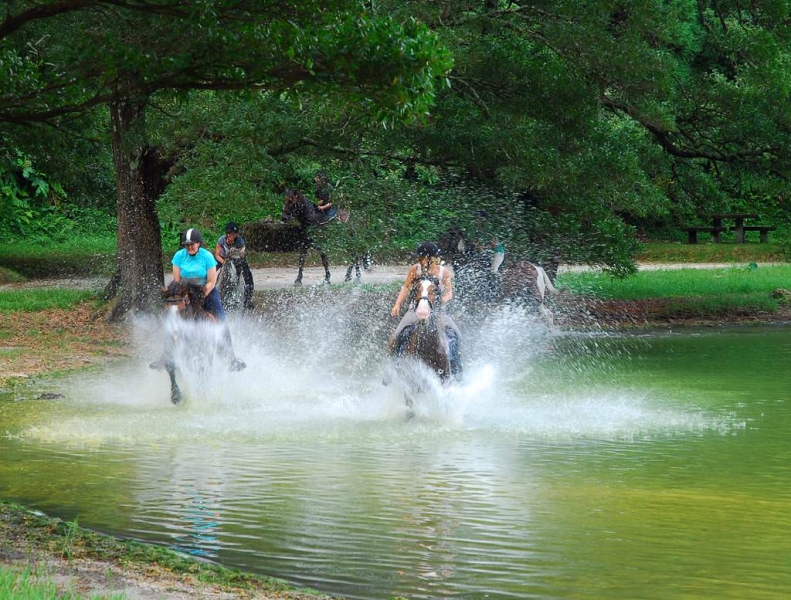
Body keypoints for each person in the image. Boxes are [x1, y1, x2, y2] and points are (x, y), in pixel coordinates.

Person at [152, 227, 245, 371]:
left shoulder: (207, 256)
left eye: (192, 244)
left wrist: (201, 295)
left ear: (199, 243)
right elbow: (177, 280)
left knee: (221, 318)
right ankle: (165, 355)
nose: (189, 247)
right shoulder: (178, 256)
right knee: (171, 320)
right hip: (185, 291)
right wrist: (181, 295)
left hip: (206, 291)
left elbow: (212, 281)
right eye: (187, 244)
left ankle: (231, 358)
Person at [389, 241, 462, 379]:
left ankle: (456, 370)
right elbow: (406, 288)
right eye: (421, 258)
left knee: (456, 335)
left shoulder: (443, 272)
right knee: (397, 335)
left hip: (437, 312)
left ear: (434, 258)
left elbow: (449, 292)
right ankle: (393, 368)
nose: (423, 261)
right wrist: (397, 304)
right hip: (415, 311)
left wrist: (441, 301)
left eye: (425, 258)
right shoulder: (415, 270)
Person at [214, 222, 255, 310]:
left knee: (248, 274)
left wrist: (237, 258)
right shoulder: (221, 240)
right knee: (211, 271)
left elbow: (242, 254)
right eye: (231, 234)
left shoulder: (240, 241)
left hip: (236, 260)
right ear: (227, 233)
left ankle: (248, 299)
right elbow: (217, 254)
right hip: (222, 259)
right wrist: (224, 262)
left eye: (234, 234)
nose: (232, 236)